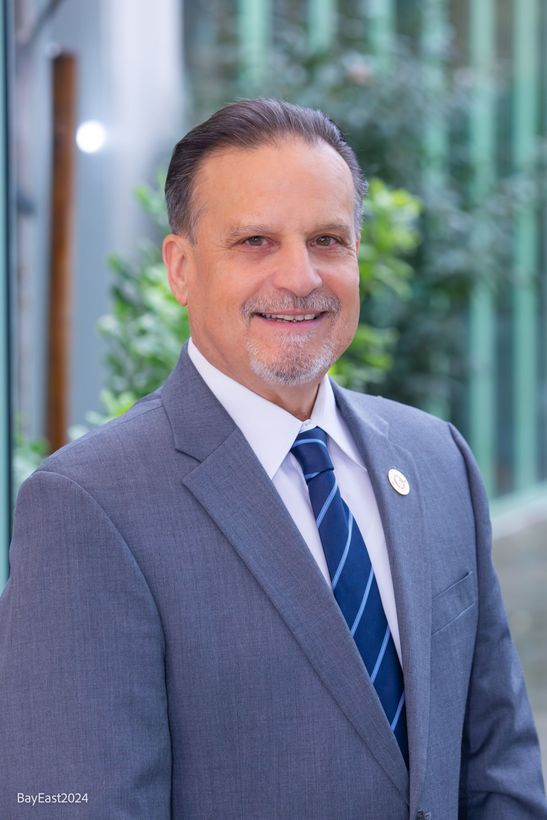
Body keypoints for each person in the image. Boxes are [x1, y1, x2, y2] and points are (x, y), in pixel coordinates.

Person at [0, 98, 545, 819]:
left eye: (327, 239)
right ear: (181, 267)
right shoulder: (87, 505)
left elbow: (499, 765)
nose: (299, 277)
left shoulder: (436, 458)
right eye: (255, 242)